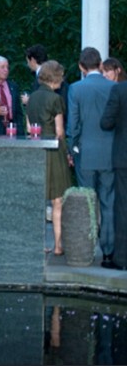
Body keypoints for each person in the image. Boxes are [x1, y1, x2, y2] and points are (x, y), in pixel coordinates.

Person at [68, 47, 115, 264]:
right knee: (108, 201)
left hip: (85, 153)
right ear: (100, 64)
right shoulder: (113, 87)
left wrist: (72, 148)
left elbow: (73, 125)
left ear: (81, 66)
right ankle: (108, 250)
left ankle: (85, 250)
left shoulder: (76, 89)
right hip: (110, 153)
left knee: (87, 202)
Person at [26, 60, 72, 256]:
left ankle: (39, 244)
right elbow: (60, 131)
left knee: (37, 199)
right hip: (54, 152)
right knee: (57, 201)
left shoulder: (32, 98)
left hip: (36, 150)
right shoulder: (55, 99)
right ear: (56, 77)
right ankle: (58, 246)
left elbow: (29, 128)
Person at [100, 79, 127, 270]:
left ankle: (122, 258)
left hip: (124, 157)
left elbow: (106, 123)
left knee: (123, 207)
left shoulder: (119, 90)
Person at [0, 55, 25, 136]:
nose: (6, 70)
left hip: (13, 130)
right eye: (2, 67)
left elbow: (18, 112)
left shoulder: (13, 86)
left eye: (7, 67)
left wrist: (20, 132)